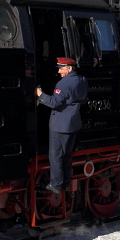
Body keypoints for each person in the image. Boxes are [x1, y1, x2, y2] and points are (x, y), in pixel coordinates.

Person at [36, 57, 89, 193]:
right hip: (73, 123)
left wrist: (40, 95)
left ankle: (56, 184)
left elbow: (54, 103)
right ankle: (65, 182)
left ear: (69, 68)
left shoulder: (63, 84)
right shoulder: (83, 80)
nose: (59, 71)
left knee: (56, 156)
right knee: (66, 155)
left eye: (61, 68)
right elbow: (83, 99)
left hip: (60, 125)